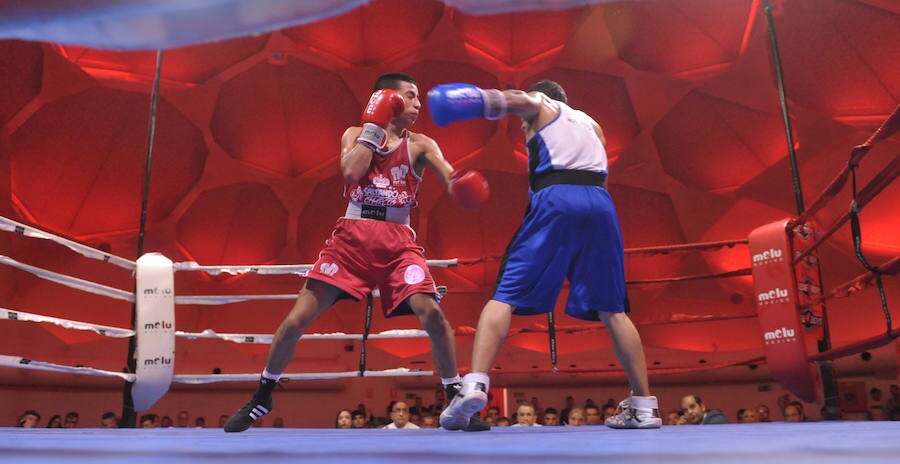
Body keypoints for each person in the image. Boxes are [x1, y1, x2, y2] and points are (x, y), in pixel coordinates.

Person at [223, 72, 490, 433]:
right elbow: (351, 173)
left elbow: (450, 174)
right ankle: (263, 395)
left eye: (418, 97)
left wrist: (461, 186)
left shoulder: (422, 144)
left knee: (434, 317)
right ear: (388, 99)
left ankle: (455, 398)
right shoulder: (355, 133)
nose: (416, 104)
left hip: (398, 243)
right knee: (296, 320)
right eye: (409, 96)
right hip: (351, 240)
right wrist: (374, 126)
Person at [428, 80, 661, 430]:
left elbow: (512, 100)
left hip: (557, 200)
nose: (524, 129)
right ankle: (644, 406)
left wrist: (468, 103)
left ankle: (474, 383)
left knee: (504, 294)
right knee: (612, 309)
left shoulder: (540, 103)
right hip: (601, 206)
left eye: (524, 125)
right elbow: (601, 177)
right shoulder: (592, 125)